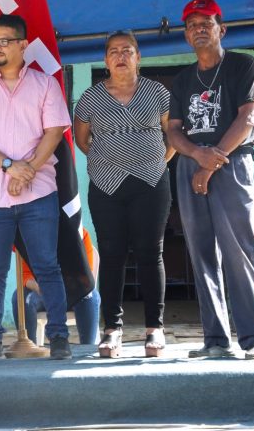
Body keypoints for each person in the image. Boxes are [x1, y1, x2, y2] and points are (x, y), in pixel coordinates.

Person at [0, 14, 73, 361]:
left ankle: (59, 338)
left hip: (39, 193)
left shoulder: (45, 85)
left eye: (5, 41)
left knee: (46, 266)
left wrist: (28, 171)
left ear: (23, 45)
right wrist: (11, 167)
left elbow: (54, 132)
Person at [167, 0, 254, 359]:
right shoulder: (183, 80)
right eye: (192, 25)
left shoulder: (243, 65)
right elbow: (174, 131)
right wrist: (197, 156)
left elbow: (247, 119)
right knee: (201, 253)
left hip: (232, 163)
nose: (199, 30)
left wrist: (210, 162)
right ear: (186, 35)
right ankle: (215, 339)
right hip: (191, 166)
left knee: (240, 249)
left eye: (206, 23)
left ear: (221, 29)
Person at [73, 30, 173, 358]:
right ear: (105, 60)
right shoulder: (90, 98)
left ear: (138, 57)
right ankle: (112, 331)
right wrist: (112, 162)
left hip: (151, 182)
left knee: (150, 252)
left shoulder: (157, 92)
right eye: (114, 51)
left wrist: (155, 162)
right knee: (112, 253)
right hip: (106, 185)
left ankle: (154, 328)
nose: (121, 56)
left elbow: (173, 134)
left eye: (127, 50)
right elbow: (82, 140)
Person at [12, 230, 101, 346]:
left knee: (91, 296)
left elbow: (86, 278)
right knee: (20, 297)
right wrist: (42, 288)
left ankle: (87, 348)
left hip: (73, 292)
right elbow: (26, 276)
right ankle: (29, 347)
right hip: (43, 292)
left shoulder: (81, 233)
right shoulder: (32, 232)